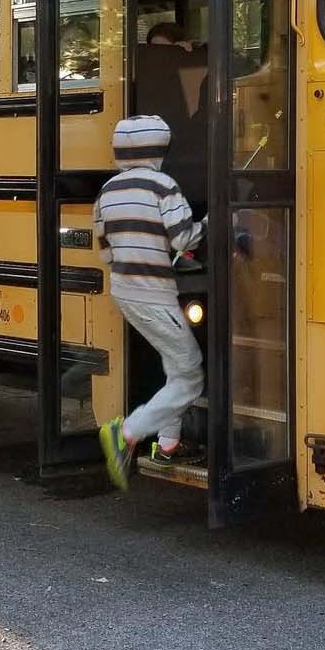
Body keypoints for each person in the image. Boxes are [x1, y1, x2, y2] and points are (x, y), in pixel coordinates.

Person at [93, 115, 206, 490]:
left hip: (124, 291)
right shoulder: (164, 186)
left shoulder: (107, 191)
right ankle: (126, 432)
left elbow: (105, 252)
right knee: (191, 372)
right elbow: (183, 240)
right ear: (160, 150)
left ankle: (169, 443)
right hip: (155, 295)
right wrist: (209, 224)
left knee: (173, 359)